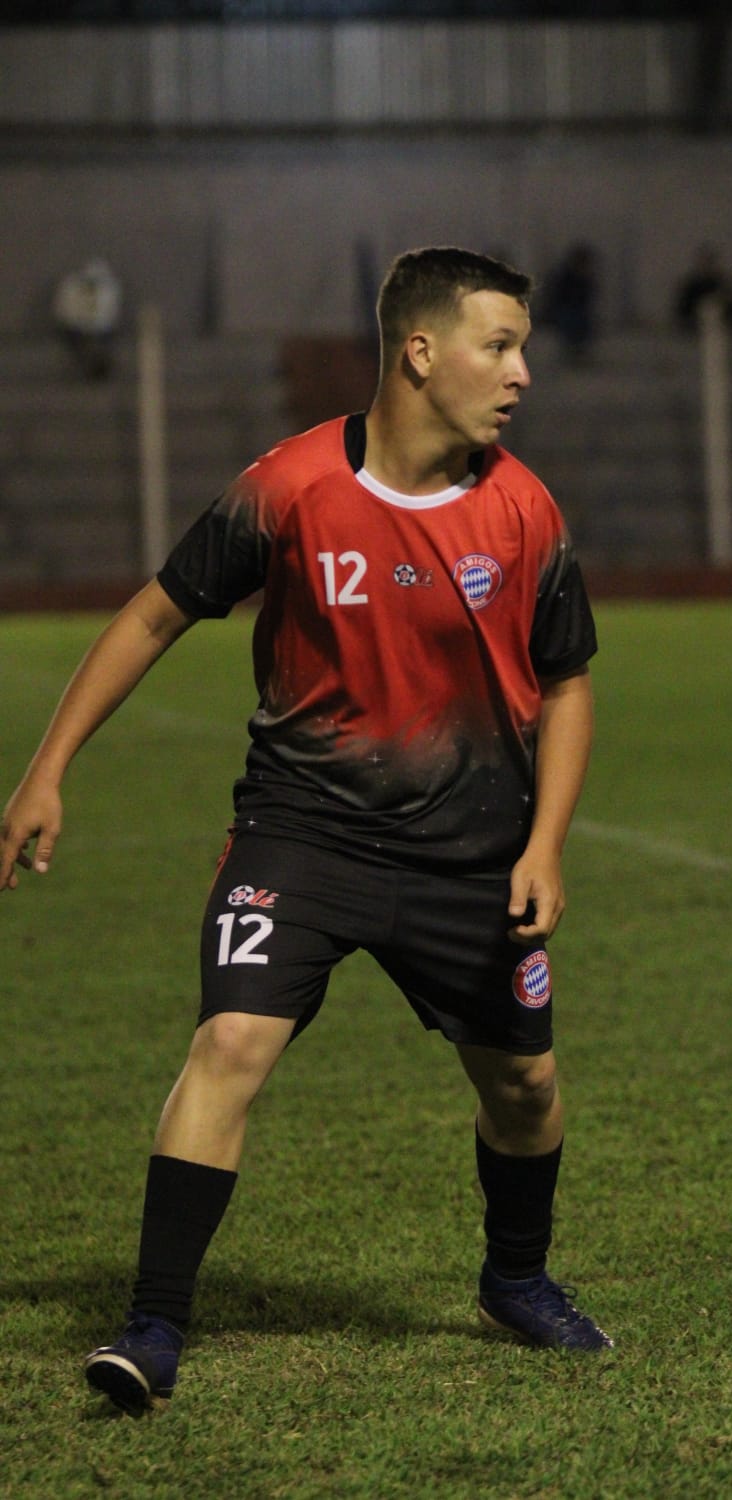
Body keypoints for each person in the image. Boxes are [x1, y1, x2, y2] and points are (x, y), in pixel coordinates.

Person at [0, 246, 612, 1417]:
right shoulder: (287, 487)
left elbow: (568, 684)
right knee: (230, 1043)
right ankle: (153, 1326)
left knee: (526, 1087)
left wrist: (544, 846)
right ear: (420, 352)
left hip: (470, 857)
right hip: (302, 834)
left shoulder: (524, 509)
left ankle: (515, 1279)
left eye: (523, 349)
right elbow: (154, 615)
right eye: (498, 346)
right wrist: (46, 770)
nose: (521, 374)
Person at [51, 258, 123, 380]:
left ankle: (89, 362)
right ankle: (93, 362)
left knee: (81, 344)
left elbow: (61, 307)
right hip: (93, 327)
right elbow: (113, 309)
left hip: (80, 326)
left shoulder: (72, 284)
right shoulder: (108, 287)